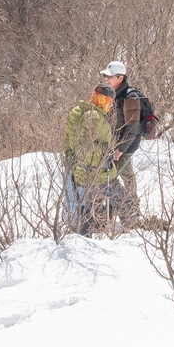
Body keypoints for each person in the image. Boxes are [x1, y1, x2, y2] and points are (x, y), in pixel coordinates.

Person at [98, 59, 156, 218]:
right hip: (118, 144)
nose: (106, 79)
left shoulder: (129, 97)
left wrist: (120, 150)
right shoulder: (114, 95)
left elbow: (133, 128)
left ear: (121, 78)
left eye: (110, 76)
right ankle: (134, 208)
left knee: (108, 178)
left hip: (126, 145)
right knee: (127, 174)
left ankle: (126, 212)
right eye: (106, 76)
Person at [64, 86, 117, 235]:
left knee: (87, 202)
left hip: (77, 166)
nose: (110, 105)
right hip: (93, 170)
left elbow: (69, 139)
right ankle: (86, 235)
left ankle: (88, 231)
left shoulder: (77, 111)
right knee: (94, 203)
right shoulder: (94, 116)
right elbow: (86, 145)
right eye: (109, 102)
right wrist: (104, 155)